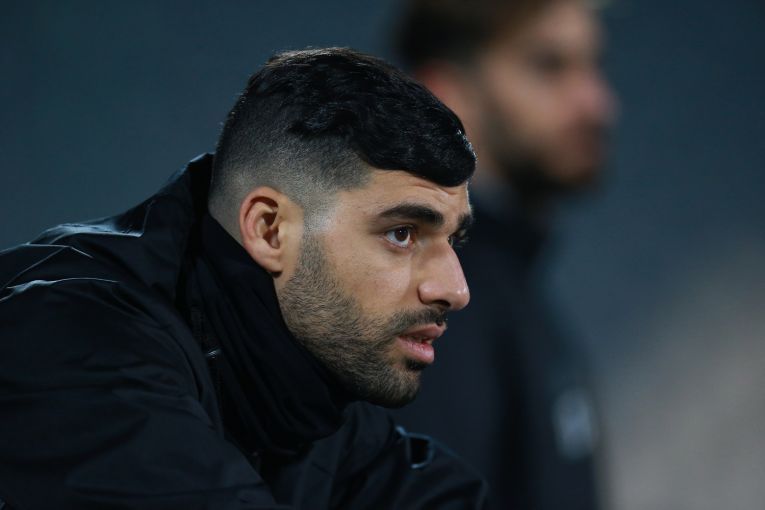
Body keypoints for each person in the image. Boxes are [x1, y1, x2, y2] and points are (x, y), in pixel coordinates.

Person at [0, 48, 488, 509]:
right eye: (402, 233)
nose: (455, 289)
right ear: (270, 230)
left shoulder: (314, 395)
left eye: (453, 240)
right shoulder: (68, 338)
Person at [392, 1, 616, 509]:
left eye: (594, 66)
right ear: (445, 94)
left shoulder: (507, 287)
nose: (597, 103)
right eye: (549, 66)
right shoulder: (426, 301)